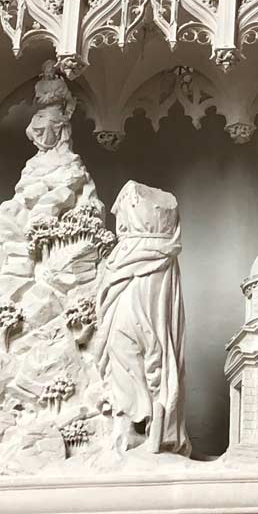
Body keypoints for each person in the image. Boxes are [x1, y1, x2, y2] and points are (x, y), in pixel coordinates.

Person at [96, 182, 188, 455]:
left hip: (148, 275)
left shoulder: (160, 237)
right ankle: (129, 423)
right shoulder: (133, 245)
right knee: (118, 344)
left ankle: (147, 425)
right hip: (132, 263)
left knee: (148, 345)